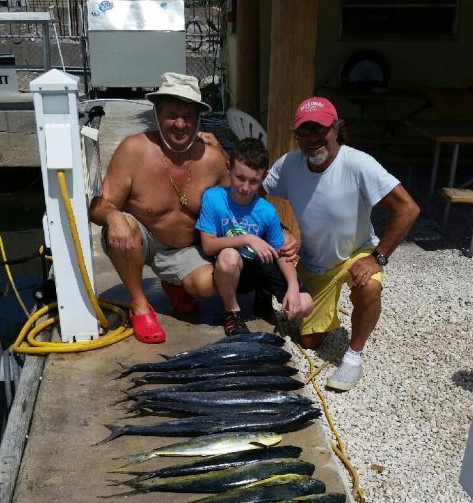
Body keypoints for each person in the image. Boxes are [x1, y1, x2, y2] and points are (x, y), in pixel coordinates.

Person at [263, 96, 420, 390]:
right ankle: (329, 309)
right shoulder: (289, 164)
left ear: (336, 129)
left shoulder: (359, 163)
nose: (313, 139)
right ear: (296, 136)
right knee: (308, 341)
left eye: (320, 130)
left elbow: (408, 209)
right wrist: (280, 229)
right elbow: (254, 193)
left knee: (369, 283)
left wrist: (378, 257)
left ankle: (353, 356)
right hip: (315, 262)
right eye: (304, 132)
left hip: (355, 253)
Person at [89, 72, 229, 343]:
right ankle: (139, 305)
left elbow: (245, 197)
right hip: (143, 240)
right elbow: (99, 206)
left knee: (210, 286)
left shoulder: (212, 156)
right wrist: (112, 215)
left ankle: (175, 283)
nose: (180, 124)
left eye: (188, 116)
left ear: (198, 118)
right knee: (121, 228)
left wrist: (224, 155)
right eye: (172, 115)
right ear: (157, 113)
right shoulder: (133, 149)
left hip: (187, 246)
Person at [196, 138, 313, 336]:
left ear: (264, 177)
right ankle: (232, 313)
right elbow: (208, 245)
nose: (245, 187)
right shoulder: (212, 198)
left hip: (260, 267)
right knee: (228, 257)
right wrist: (248, 238)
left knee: (306, 305)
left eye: (253, 181)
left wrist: (293, 287)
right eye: (240, 178)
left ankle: (263, 295)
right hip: (232, 269)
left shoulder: (267, 211)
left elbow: (281, 251)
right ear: (228, 169)